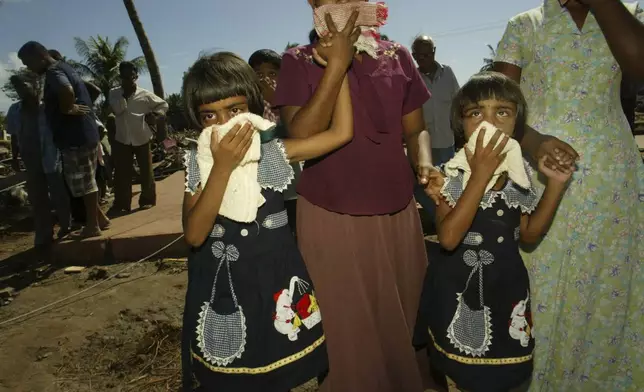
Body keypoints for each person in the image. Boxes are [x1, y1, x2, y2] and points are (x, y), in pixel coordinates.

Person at [273, 4, 437, 391]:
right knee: (347, 330)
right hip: (331, 212)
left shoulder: (397, 56)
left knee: (406, 316)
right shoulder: (297, 60)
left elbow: (416, 131)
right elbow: (299, 139)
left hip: (397, 210)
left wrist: (424, 164)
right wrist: (336, 67)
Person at [180, 51, 355, 391]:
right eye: (209, 116)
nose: (225, 124)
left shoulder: (275, 152)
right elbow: (195, 234)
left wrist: (340, 65)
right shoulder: (198, 163)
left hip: (274, 285)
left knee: (274, 373)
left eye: (235, 110)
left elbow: (341, 132)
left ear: (255, 107)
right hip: (224, 289)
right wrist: (222, 167)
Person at [494, 0, 644, 389]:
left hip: (611, 178)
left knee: (607, 280)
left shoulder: (626, 14)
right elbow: (499, 106)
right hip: (540, 176)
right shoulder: (524, 24)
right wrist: (534, 139)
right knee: (544, 280)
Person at [416, 72, 571, 392]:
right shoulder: (453, 175)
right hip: (461, 292)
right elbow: (447, 238)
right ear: (461, 124)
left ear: (516, 121)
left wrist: (555, 185)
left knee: (509, 374)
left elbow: (528, 235)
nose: (489, 123)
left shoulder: (518, 176)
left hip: (507, 291)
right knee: (470, 376)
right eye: (476, 113)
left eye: (502, 112)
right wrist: (481, 173)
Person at [17, 41, 110, 238]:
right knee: (83, 181)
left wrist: (68, 108)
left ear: (38, 56)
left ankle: (92, 226)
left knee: (85, 183)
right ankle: (100, 219)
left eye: (27, 62)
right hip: (80, 134)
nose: (27, 67)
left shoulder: (53, 72)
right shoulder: (64, 67)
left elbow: (65, 89)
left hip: (76, 136)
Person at [5, 75, 71, 256]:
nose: (22, 91)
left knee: (59, 194)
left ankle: (67, 228)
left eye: (25, 87)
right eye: (18, 88)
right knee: (38, 198)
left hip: (51, 155)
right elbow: (14, 136)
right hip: (30, 157)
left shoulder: (48, 107)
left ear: (35, 86)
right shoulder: (15, 110)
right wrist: (14, 157)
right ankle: (43, 236)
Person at [249, 49, 302, 233]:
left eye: (272, 74)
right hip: (262, 182)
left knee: (295, 223)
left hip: (291, 181)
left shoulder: (289, 101)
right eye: (259, 75)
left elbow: (293, 135)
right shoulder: (250, 104)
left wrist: (277, 101)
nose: (265, 80)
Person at [108, 61, 168, 215]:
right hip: (122, 138)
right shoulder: (114, 93)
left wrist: (156, 115)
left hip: (141, 136)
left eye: (131, 76)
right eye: (124, 76)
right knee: (122, 172)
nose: (128, 79)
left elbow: (163, 105)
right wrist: (124, 94)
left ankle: (147, 200)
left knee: (146, 170)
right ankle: (122, 203)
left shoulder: (145, 94)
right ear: (120, 77)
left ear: (136, 76)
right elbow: (118, 110)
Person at [412, 35, 460, 166]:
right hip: (423, 147)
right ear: (414, 56)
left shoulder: (448, 73)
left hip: (447, 143)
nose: (424, 59)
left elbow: (458, 103)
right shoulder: (412, 80)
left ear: (434, 52)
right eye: (420, 56)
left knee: (448, 182)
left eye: (427, 54)